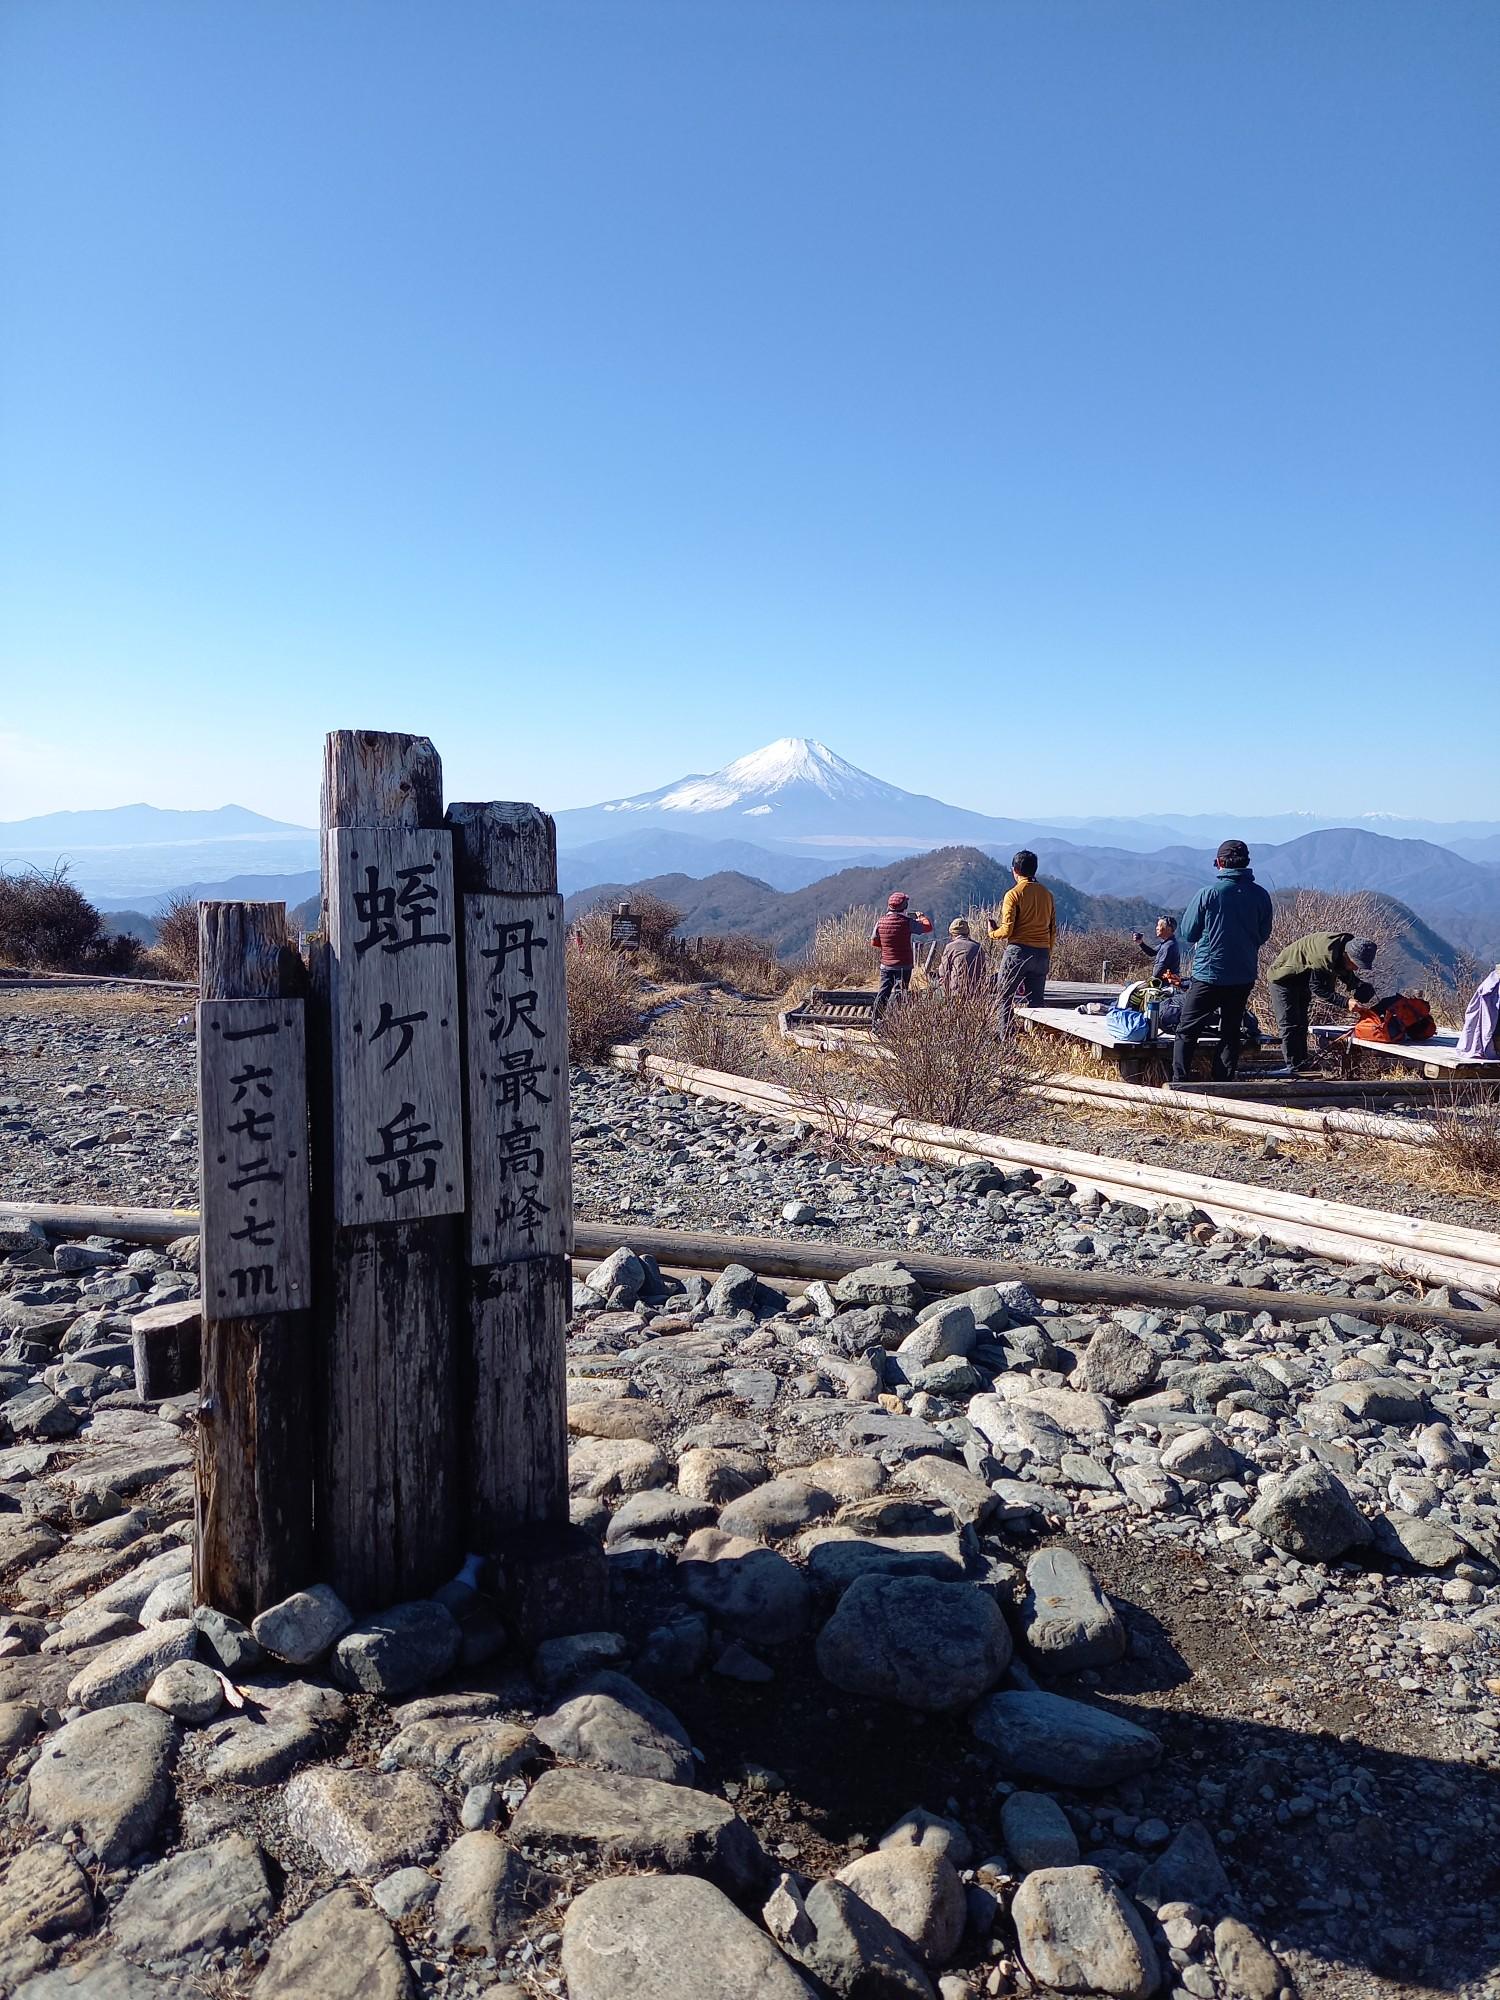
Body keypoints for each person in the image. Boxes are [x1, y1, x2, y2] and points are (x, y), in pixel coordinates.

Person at [1172, 839, 1274, 1081]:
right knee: (1231, 1030)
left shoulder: (1209, 894)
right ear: (1247, 863)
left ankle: (1180, 1081)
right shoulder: (1261, 895)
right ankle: (1222, 1082)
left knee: (1187, 1029)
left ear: (1219, 863)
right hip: (1243, 974)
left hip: (1208, 974)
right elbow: (1263, 934)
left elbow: (1188, 933)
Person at [1267, 931, 1378, 1071]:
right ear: (1347, 955)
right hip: (1283, 979)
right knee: (1289, 1024)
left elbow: (1342, 969)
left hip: (1303, 978)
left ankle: (1302, 1065)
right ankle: (1293, 1067)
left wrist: (1358, 985)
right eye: (1355, 964)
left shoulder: (1345, 948)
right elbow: (1318, 988)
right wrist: (1346, 1002)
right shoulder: (1324, 955)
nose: (1356, 968)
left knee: (1301, 1024)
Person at [989, 850, 1055, 1035]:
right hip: (1042, 952)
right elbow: (1052, 929)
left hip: (1018, 951)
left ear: (1015, 870)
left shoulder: (1013, 894)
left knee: (1005, 996)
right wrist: (1047, 951)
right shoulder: (1047, 894)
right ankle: (1038, 1038)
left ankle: (1006, 1038)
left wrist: (992, 933)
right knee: (1037, 1002)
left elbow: (1007, 930)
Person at [870, 891, 933, 1022]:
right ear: (904, 906)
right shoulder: (907, 922)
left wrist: (887, 946)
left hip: (886, 964)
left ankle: (876, 1021)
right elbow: (928, 927)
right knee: (900, 993)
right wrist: (922, 917)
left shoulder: (880, 922)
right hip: (904, 965)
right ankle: (896, 1021)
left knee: (883, 993)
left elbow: (874, 942)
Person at [936, 917, 987, 995]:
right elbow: (983, 970)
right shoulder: (978, 946)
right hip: (976, 990)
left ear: (952, 934)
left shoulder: (951, 947)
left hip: (957, 990)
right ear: (967, 932)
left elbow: (943, 971)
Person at [1132, 915, 1181, 984]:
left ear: (1169, 929)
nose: (1156, 928)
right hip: (1164, 981)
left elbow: (1160, 968)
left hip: (1164, 983)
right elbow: (1152, 953)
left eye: (1159, 925)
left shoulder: (1168, 946)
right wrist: (1140, 942)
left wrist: (1151, 979)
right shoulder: (1167, 943)